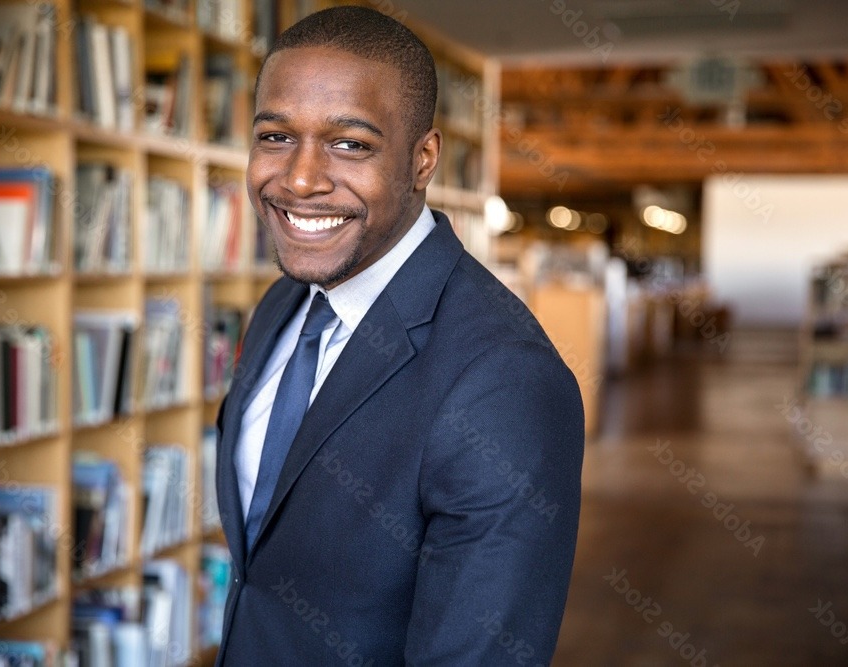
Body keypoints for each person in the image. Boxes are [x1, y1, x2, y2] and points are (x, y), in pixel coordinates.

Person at [214, 6, 584, 665]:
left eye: (350, 144)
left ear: (423, 160)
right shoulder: (283, 302)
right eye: (275, 137)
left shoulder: (506, 379)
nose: (299, 179)